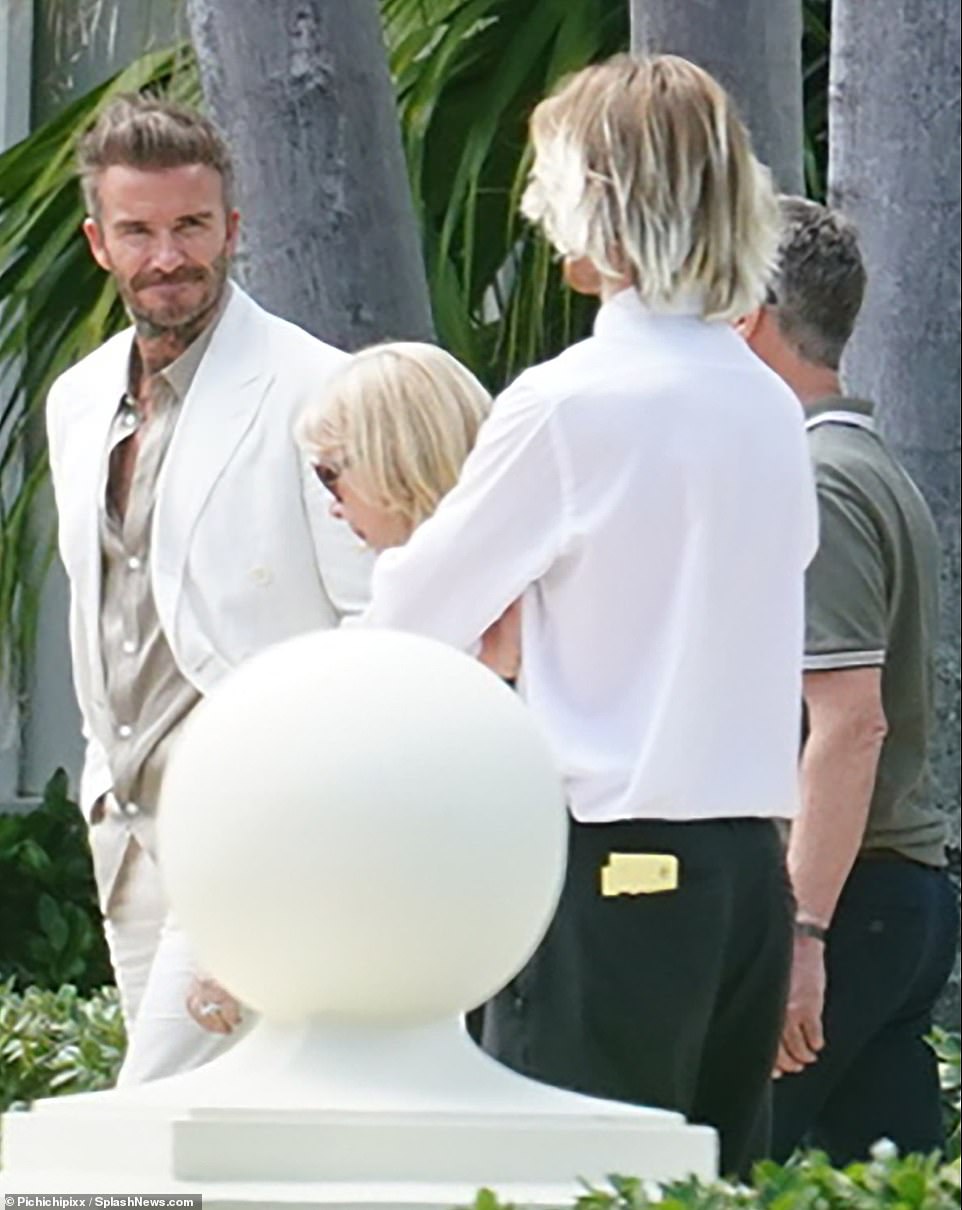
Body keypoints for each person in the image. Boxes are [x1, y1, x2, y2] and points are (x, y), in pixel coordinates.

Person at [352, 54, 818, 1176]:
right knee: (709, 1186)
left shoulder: (568, 404)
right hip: (747, 879)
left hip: (607, 873)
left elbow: (410, 610)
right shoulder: (764, 401)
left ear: (597, 204)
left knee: (565, 1186)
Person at [47, 95, 370, 1085]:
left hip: (257, 823)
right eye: (138, 231)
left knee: (148, 1119)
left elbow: (373, 628)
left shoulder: (317, 387)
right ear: (99, 242)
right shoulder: (75, 398)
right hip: (129, 828)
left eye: (190, 227)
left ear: (232, 228)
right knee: (204, 1148)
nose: (167, 258)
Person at [187, 341, 512, 1040]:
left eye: (332, 476)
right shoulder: (532, 587)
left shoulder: (409, 621)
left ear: (394, 464)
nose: (332, 508)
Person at [737, 196, 959, 1164]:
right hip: (890, 891)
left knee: (731, 1158)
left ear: (747, 310)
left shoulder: (816, 478)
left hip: (848, 896)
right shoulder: (861, 464)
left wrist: (800, 934)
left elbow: (847, 724)